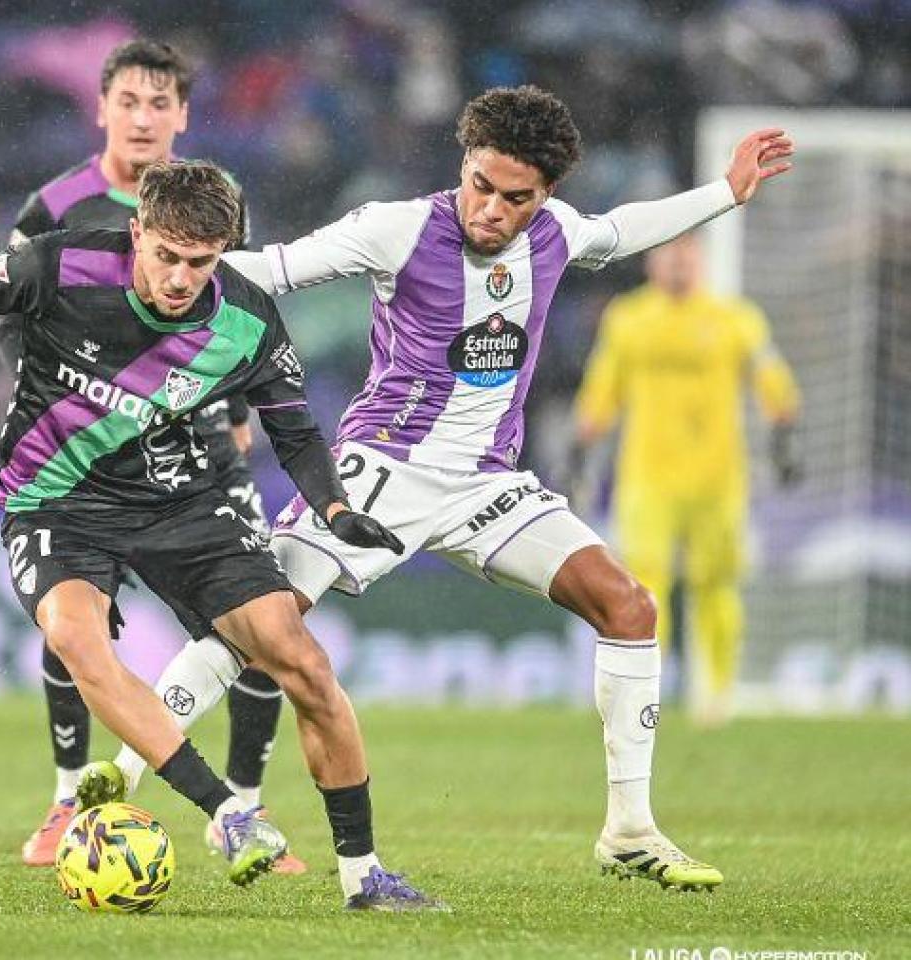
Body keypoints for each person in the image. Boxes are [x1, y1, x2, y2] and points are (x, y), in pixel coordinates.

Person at [110, 85, 794, 892]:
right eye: (481, 185)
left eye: (517, 198)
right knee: (260, 622)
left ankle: (629, 829)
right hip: (380, 469)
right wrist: (145, 272)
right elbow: (274, 270)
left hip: (486, 485)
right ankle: (118, 777)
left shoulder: (557, 234)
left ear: (544, 196)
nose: (492, 210)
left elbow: (617, 233)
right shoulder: (396, 228)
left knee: (630, 608)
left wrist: (726, 192)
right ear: (463, 165)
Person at [0, 159, 442, 911]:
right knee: (75, 637)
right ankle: (229, 812)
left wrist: (332, 509)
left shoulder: (248, 318)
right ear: (138, 233)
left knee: (302, 661)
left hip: (179, 501)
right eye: (165, 256)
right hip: (54, 500)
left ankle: (365, 876)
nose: (179, 278)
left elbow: (293, 431)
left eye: (200, 263)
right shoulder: (60, 263)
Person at [0, 38, 301, 874]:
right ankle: (69, 800)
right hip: (87, 444)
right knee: (71, 621)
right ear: (101, 109)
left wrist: (239, 406)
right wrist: (55, 404)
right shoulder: (56, 202)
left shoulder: (217, 199)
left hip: (200, 438)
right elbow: (6, 312)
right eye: (128, 101)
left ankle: (244, 805)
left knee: (257, 611)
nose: (142, 118)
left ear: (183, 117)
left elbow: (236, 311)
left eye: (158, 103)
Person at [574, 232, 802, 727]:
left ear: (700, 259)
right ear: (654, 261)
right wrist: (580, 454)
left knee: (716, 586)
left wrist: (785, 441)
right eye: (668, 253)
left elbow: (773, 383)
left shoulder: (734, 318)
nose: (677, 263)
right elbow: (601, 391)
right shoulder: (628, 318)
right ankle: (647, 694)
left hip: (718, 480)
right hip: (647, 479)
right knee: (644, 589)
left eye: (687, 253)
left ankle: (717, 696)